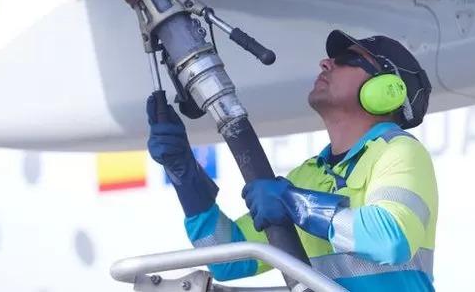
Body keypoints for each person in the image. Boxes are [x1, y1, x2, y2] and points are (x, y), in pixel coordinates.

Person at [146, 30, 437, 291]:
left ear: (387, 91)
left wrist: (297, 204)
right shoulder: (307, 177)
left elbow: (390, 239)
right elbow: (227, 259)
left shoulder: (398, 151)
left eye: (347, 59)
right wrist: (184, 172)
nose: (325, 63)